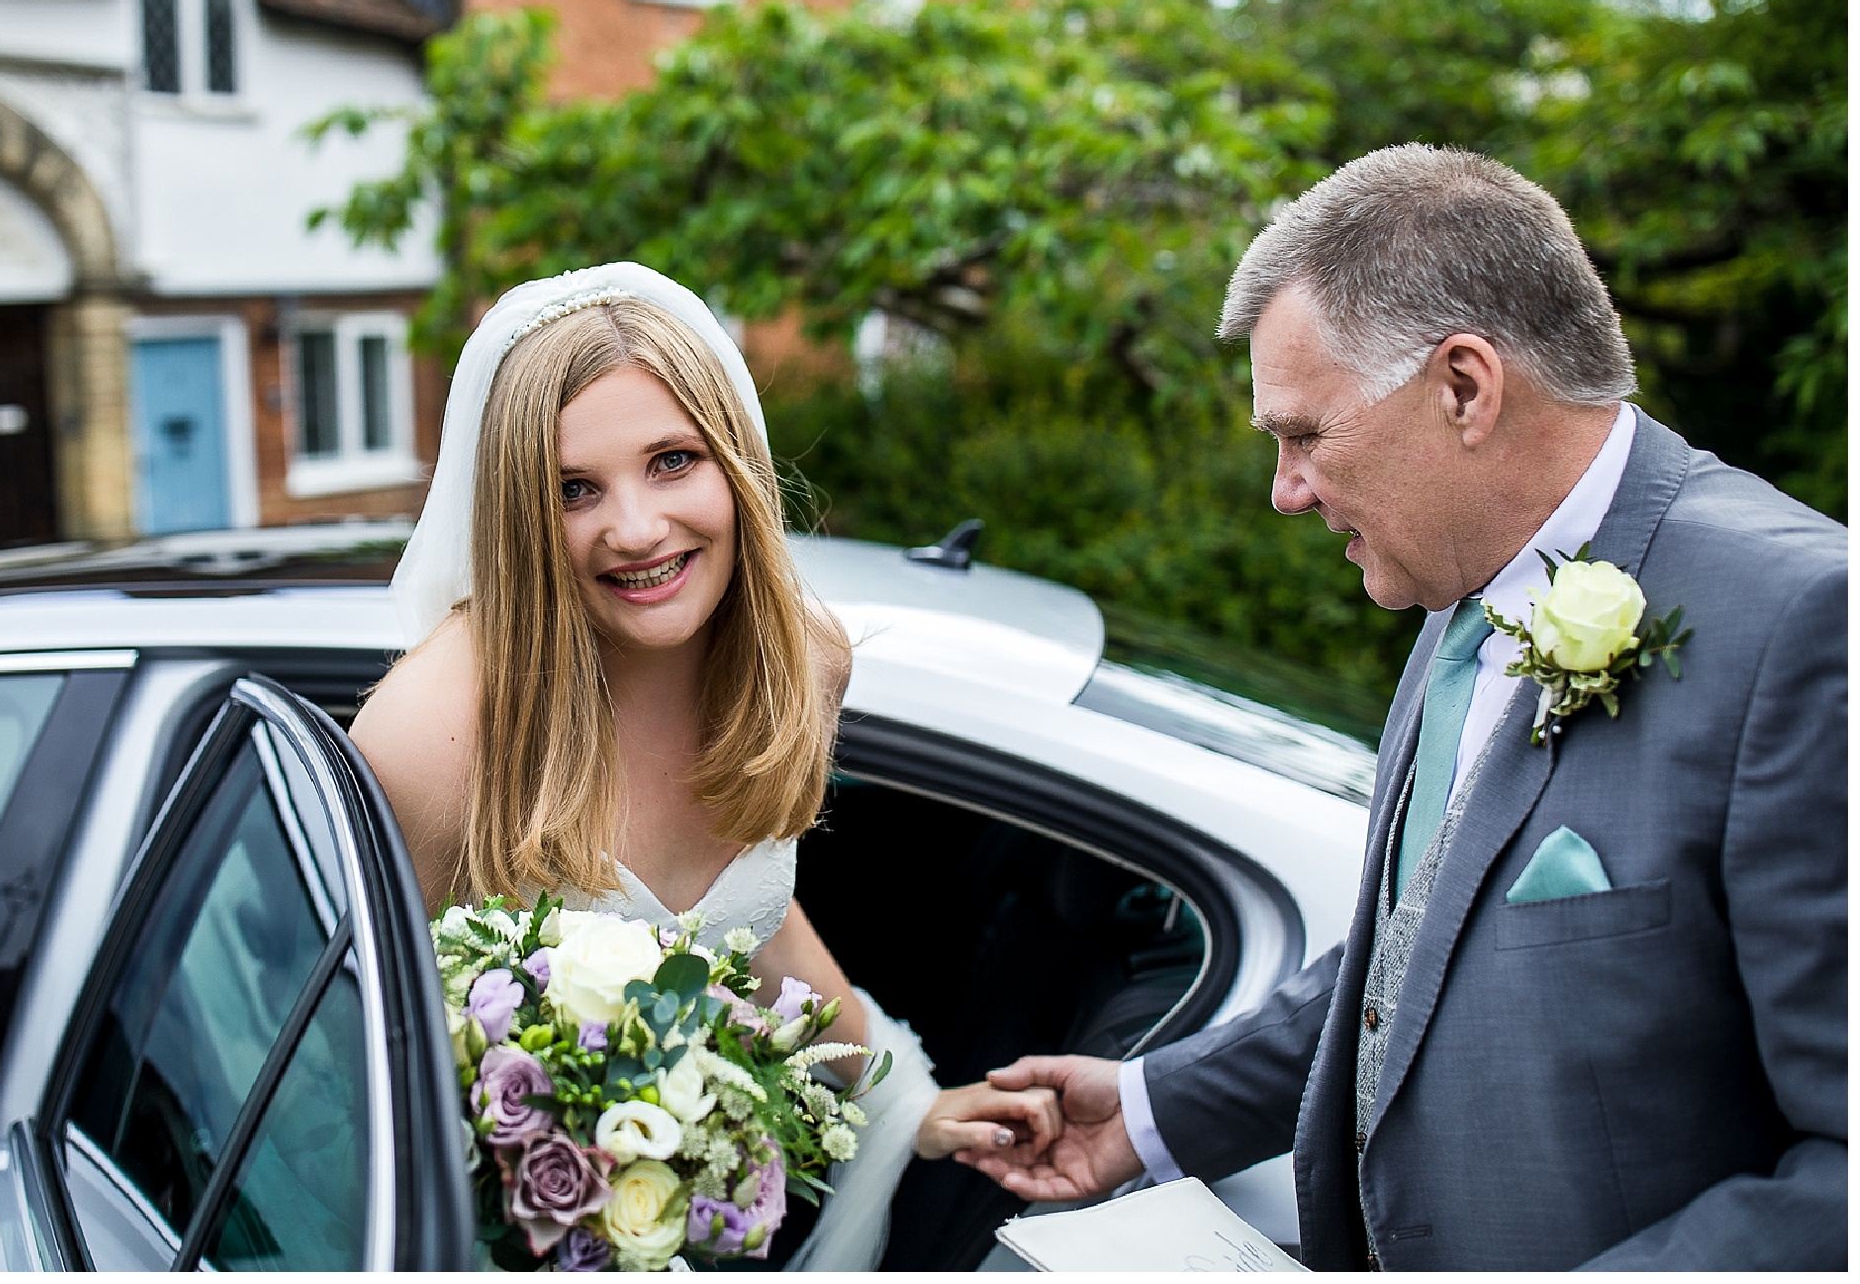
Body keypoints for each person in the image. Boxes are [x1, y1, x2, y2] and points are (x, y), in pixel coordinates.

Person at [933, 145, 1847, 1268]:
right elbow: (1422, 958)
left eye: (1306, 433)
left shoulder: (1806, 623)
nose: (1286, 489)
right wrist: (1151, 1111)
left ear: (1465, 386)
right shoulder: (1459, 595)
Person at [351, 261, 1055, 1270]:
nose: (635, 529)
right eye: (572, 489)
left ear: (736, 464)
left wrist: (902, 1091)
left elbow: (752, 919)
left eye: (673, 460)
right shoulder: (439, 728)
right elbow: (351, 1051)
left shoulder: (805, 662)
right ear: (517, 513)